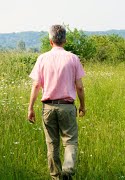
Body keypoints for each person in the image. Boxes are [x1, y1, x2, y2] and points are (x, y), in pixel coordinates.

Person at [27, 25, 86, 180]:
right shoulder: (73, 58)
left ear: (50, 41)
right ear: (65, 40)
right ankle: (68, 170)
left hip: (48, 107)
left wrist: (30, 108)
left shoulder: (42, 58)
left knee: (52, 144)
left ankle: (56, 177)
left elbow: (35, 85)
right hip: (67, 107)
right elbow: (79, 86)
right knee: (70, 141)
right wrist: (82, 106)